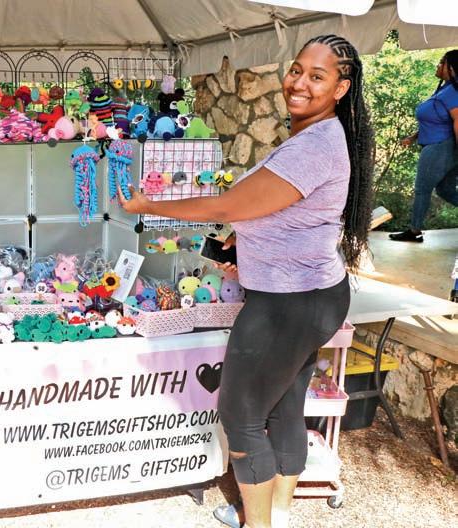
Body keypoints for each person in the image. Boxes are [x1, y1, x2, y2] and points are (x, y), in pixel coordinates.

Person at [118, 34, 374, 528]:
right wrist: (246, 241)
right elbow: (283, 211)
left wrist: (150, 205)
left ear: (341, 88)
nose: (299, 83)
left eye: (317, 76)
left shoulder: (314, 145)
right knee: (284, 408)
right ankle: (276, 515)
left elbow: (227, 205)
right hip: (314, 294)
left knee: (242, 418)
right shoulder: (320, 135)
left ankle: (258, 524)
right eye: (296, 70)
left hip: (287, 304)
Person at [390, 50, 458, 242]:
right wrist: (412, 137)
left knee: (422, 189)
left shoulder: (453, 93)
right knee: (445, 190)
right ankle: (415, 230)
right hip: (441, 146)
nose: (438, 65)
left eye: (441, 63)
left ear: (451, 68)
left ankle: (414, 231)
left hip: (439, 147)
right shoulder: (445, 89)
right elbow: (435, 120)